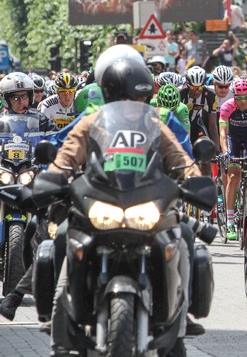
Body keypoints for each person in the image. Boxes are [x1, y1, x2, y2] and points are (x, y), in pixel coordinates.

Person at [48, 55, 205, 354]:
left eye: (141, 97)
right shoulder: (92, 122)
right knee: (62, 236)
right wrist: (51, 179)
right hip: (101, 205)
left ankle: (179, 321)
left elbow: (181, 159)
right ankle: (60, 324)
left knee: (183, 238)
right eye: (127, 97)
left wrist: (196, 180)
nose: (135, 103)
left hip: (147, 205)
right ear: (111, 95)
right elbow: (65, 157)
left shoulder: (156, 123)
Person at [0, 73, 57, 321]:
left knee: (49, 217)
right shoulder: (1, 121)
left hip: (29, 173)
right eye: (16, 97)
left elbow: (56, 141)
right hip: (5, 173)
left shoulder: (42, 120)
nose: (21, 101)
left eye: (24, 96)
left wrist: (48, 160)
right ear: (6, 100)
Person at [219, 78, 247, 241]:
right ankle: (230, 220)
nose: (243, 102)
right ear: (234, 97)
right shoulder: (227, 106)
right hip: (233, 138)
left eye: (246, 97)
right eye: (239, 98)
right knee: (234, 175)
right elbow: (223, 133)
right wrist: (226, 152)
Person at [180, 66, 219, 147]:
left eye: (200, 88)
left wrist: (217, 151)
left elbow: (212, 126)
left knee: (205, 146)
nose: (196, 91)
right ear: (187, 84)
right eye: (193, 88)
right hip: (181, 126)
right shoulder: (180, 93)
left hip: (196, 124)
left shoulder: (210, 95)